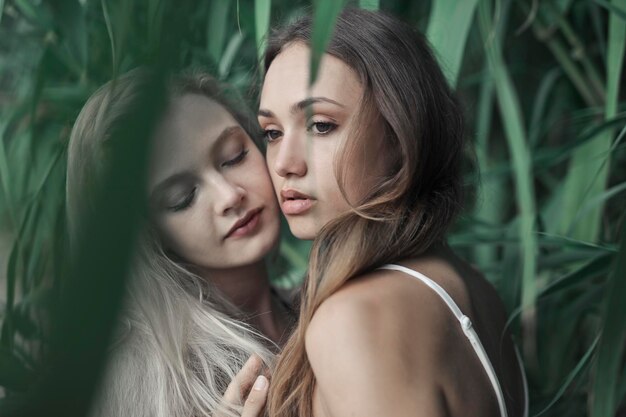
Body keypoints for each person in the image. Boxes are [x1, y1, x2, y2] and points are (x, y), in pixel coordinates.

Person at [257, 8, 528, 417]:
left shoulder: (355, 319)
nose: (284, 163)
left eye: (321, 125)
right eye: (273, 133)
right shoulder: (470, 287)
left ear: (399, 136)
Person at [66, 69, 293, 417]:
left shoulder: (329, 300)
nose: (230, 195)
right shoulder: (145, 384)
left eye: (234, 156)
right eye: (182, 197)